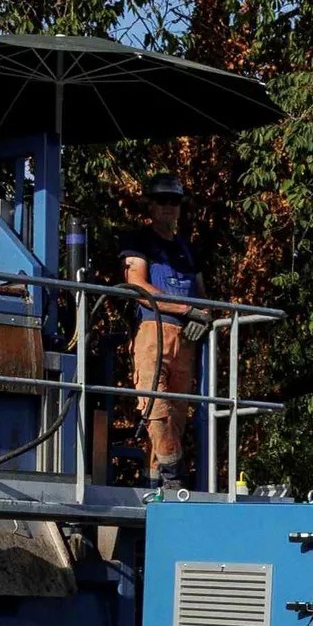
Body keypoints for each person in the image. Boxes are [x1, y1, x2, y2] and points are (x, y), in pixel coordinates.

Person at [116, 185, 204, 484]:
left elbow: (204, 298)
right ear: (151, 206)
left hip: (187, 338)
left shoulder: (188, 250)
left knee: (177, 418)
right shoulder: (139, 242)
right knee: (156, 409)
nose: (169, 207)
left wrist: (203, 317)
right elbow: (138, 287)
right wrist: (186, 308)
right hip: (153, 331)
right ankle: (173, 474)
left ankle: (156, 482)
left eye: (175, 202)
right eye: (162, 201)